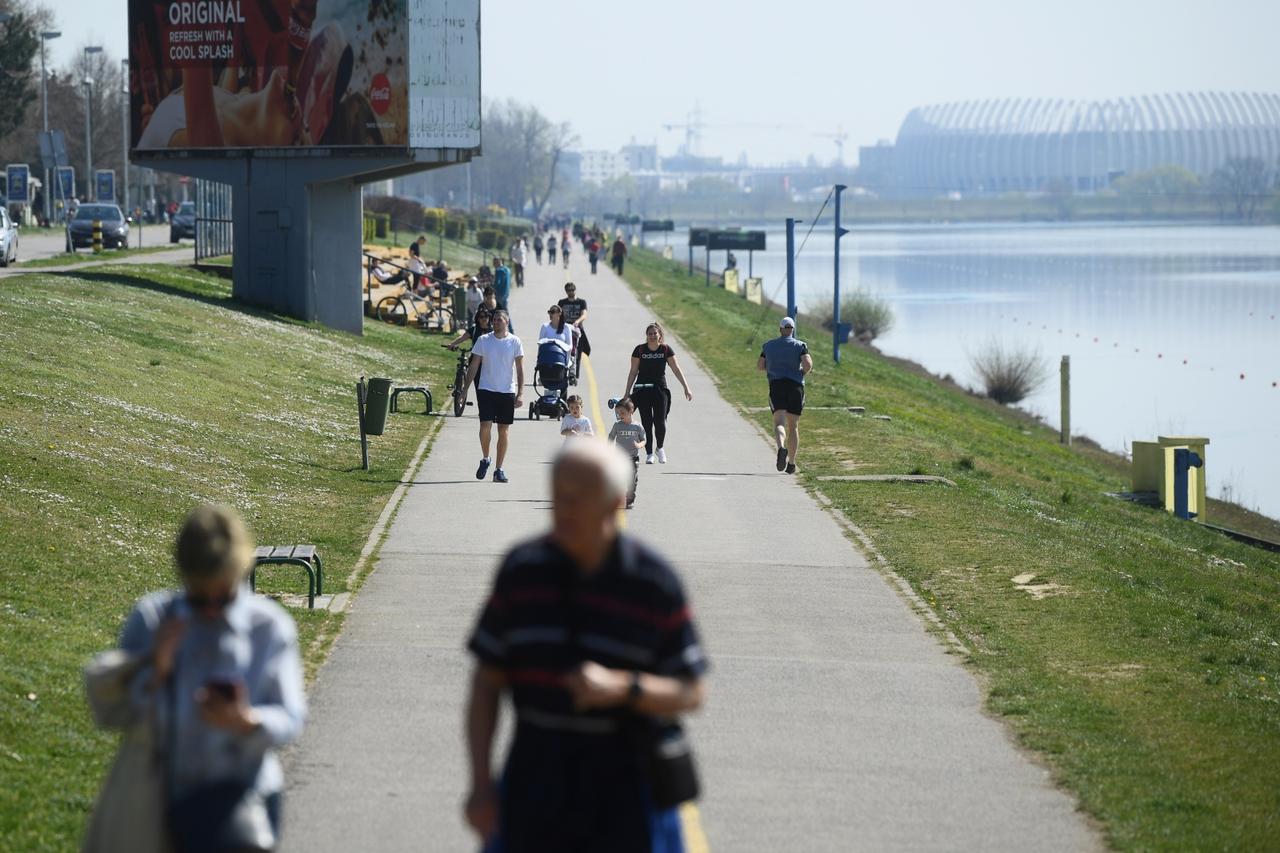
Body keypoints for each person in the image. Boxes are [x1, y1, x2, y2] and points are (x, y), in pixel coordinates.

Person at [464, 440, 709, 851]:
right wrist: (480, 783)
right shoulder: (522, 572)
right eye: (558, 496)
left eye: (578, 499)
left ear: (615, 502)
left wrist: (622, 688)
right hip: (533, 790)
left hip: (629, 800)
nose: (564, 508)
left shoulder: (653, 583)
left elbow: (692, 690)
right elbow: (487, 681)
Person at [84, 504, 306, 852]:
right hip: (161, 798)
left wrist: (248, 721)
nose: (213, 609)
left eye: (225, 595)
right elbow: (111, 712)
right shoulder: (154, 618)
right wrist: (155, 668)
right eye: (201, 597)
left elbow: (291, 717)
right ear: (184, 576)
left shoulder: (269, 628)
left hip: (244, 799)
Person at [463, 310, 524, 484]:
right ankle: (485, 458)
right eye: (494, 320)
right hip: (486, 389)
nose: (495, 322)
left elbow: (520, 369)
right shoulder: (483, 340)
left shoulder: (515, 342)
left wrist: (520, 393)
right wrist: (465, 389)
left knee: (503, 430)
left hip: (506, 391)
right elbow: (474, 365)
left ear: (507, 322)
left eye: (499, 320)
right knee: (485, 425)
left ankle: (498, 469)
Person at [624, 322, 693, 465]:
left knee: (660, 422)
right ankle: (649, 453)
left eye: (655, 333)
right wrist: (627, 392)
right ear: (646, 335)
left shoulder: (666, 350)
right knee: (647, 423)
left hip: (660, 390)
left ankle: (659, 448)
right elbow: (633, 371)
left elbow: (676, 368)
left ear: (660, 335)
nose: (652, 336)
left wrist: (686, 387)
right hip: (642, 390)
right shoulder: (640, 350)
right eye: (650, 334)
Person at [758, 316, 813, 474]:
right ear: (792, 330)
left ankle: (781, 447)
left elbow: (760, 366)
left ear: (780, 329)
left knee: (779, 423)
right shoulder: (800, 345)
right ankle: (792, 463)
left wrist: (774, 366)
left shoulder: (768, 345)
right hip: (796, 387)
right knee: (793, 426)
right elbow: (808, 364)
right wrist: (801, 372)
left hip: (777, 385)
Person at [607, 397, 646, 509]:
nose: (620, 415)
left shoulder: (637, 426)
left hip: (633, 458)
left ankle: (629, 499)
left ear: (631, 412)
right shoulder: (617, 425)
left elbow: (644, 439)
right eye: (618, 413)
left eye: (622, 413)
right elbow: (611, 437)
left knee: (632, 480)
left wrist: (640, 445)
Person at [557, 283, 591, 379]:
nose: (570, 292)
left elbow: (584, 314)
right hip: (564, 329)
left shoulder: (581, 302)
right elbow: (557, 314)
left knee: (578, 353)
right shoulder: (562, 302)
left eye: (572, 290)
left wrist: (577, 321)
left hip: (577, 330)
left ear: (575, 290)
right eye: (568, 290)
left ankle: (575, 375)